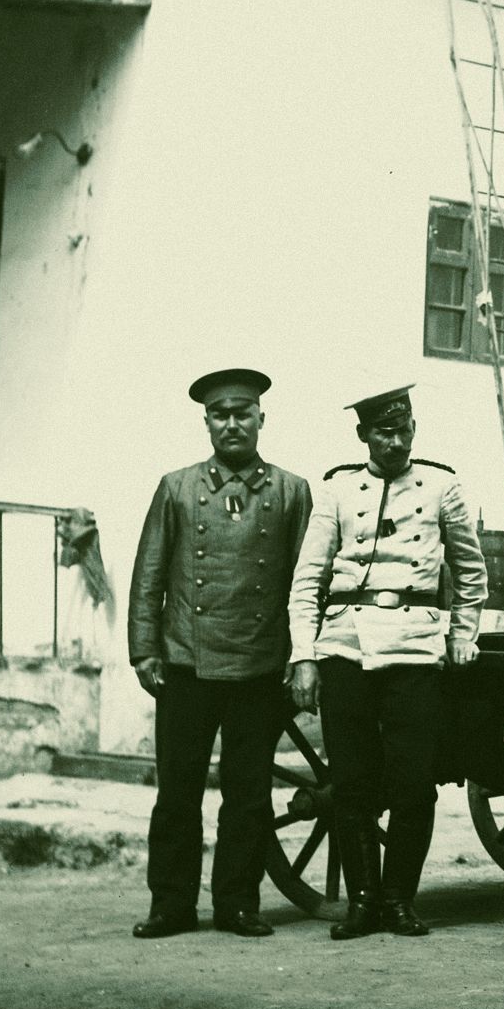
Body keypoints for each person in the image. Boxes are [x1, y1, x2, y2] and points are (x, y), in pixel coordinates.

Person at [288, 385, 487, 940]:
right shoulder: (335, 491)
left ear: (414, 430)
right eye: (383, 431)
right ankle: (362, 903)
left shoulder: (443, 486)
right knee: (351, 782)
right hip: (346, 646)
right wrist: (305, 655)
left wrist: (461, 636)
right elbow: (307, 580)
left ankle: (399, 900)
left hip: (415, 649)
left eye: (404, 430)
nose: (396, 441)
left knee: (413, 784)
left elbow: (471, 573)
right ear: (363, 436)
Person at [127, 367, 313, 939]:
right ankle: (172, 905)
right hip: (186, 662)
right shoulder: (177, 487)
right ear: (206, 421)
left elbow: (307, 583)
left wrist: (299, 658)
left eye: (242, 414)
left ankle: (237, 903)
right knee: (177, 795)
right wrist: (144, 650)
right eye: (220, 415)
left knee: (249, 796)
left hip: (259, 666)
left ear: (261, 418)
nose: (232, 424)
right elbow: (149, 573)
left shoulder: (290, 490)